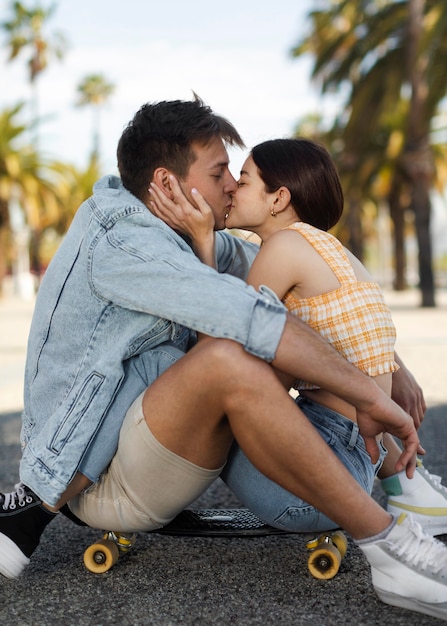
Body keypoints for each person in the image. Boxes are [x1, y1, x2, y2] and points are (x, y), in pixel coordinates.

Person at [0, 100, 446, 622]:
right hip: (92, 475)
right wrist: (371, 394)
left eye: (236, 173)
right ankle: (388, 547)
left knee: (223, 352)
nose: (232, 185)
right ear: (167, 184)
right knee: (228, 357)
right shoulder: (124, 239)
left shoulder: (190, 229)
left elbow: (312, 286)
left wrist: (388, 361)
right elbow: (247, 315)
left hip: (140, 439)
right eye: (219, 173)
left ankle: (401, 490)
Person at [150, 136, 447, 537]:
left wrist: (203, 241)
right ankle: (412, 491)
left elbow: (218, 353)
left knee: (201, 395)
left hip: (312, 495)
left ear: (278, 199)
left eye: (245, 178)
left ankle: (137, 498)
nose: (233, 188)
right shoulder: (329, 250)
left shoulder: (283, 248)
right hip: (357, 457)